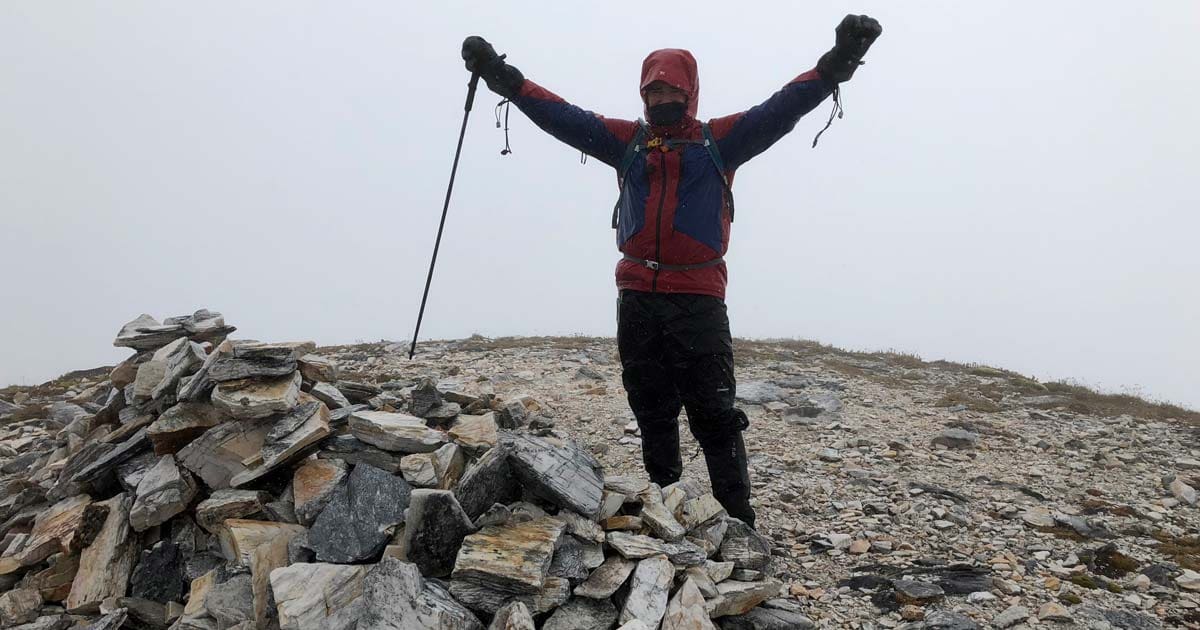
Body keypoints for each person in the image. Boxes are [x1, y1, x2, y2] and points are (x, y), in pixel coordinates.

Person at [462, 15, 881, 528]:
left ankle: (739, 523)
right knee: (651, 408)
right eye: (651, 91)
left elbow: (782, 109)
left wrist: (835, 65)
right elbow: (562, 117)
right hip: (637, 295)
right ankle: (666, 509)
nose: (660, 99)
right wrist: (506, 79)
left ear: (690, 92)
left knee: (715, 416)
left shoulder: (719, 141)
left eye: (670, 90)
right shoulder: (627, 142)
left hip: (699, 298)